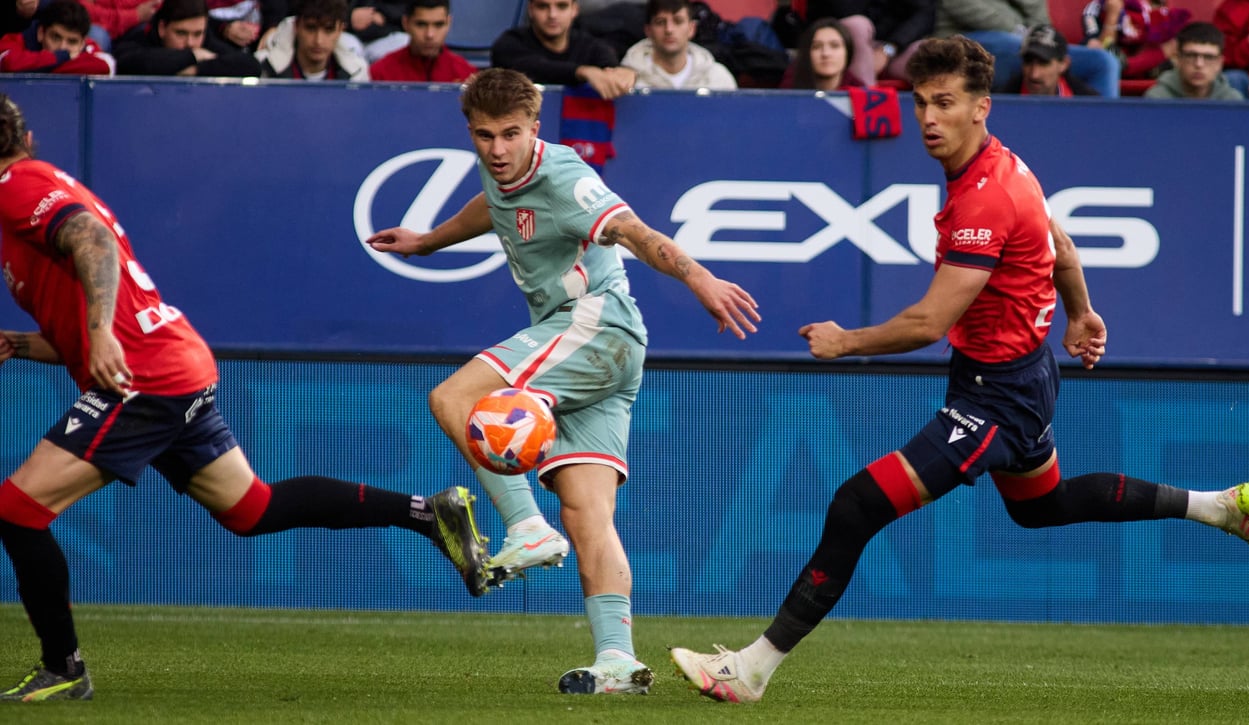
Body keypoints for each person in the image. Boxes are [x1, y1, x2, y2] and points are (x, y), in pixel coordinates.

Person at [671, 35, 1249, 704]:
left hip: (998, 397)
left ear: (981, 107)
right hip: (1022, 373)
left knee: (856, 504)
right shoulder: (1005, 165)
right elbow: (1061, 244)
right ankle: (1216, 506)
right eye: (922, 102)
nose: (929, 118)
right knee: (1041, 507)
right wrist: (1080, 313)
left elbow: (928, 322)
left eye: (946, 103)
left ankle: (752, 669)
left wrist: (845, 341)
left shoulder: (986, 198)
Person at [0, 93, 490, 702]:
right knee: (251, 509)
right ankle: (428, 513)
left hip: (145, 377)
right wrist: (22, 344)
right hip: (172, 365)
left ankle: (64, 668)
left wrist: (101, 334)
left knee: (17, 510)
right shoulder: (34, 189)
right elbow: (82, 317)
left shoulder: (16, 185)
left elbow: (93, 241)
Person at [365, 68, 760, 694]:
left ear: (536, 127)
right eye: (484, 135)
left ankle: (524, 526)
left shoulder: (566, 177)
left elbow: (635, 232)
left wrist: (700, 278)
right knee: (586, 514)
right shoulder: (501, 171)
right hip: (604, 356)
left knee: (455, 397)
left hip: (594, 324)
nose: (497, 149)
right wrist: (430, 242)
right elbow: (493, 207)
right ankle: (618, 662)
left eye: (510, 134)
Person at [934, 0, 1121, 97]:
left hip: (1023, 37)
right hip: (966, 40)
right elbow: (960, 5)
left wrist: (1035, 35)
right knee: (1017, 45)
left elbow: (1041, 21)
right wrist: (1025, 34)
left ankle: (1105, 131)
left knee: (1102, 61)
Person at [491, 0, 638, 100]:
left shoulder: (589, 44)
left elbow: (608, 65)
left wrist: (622, 73)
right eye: (543, 6)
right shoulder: (510, 43)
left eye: (562, 6)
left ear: (574, 10)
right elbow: (531, 67)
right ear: (531, 10)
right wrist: (582, 72)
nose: (552, 15)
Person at [799, 0, 936, 87]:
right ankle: (868, 103)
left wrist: (890, 48)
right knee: (857, 25)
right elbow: (841, 10)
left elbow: (924, 14)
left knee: (928, 52)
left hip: (896, 47)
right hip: (848, 45)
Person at [114, 0, 260, 76]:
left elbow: (250, 66)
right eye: (181, 33)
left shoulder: (207, 41)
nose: (190, 43)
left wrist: (196, 70)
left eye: (197, 34)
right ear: (162, 28)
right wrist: (193, 56)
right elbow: (129, 62)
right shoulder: (141, 37)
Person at [620, 0, 736, 90]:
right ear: (648, 30)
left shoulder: (718, 78)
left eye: (678, 21)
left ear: (691, 28)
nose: (669, 30)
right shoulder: (626, 79)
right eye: (660, 22)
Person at [256, 0, 367, 80]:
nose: (318, 41)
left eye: (328, 29)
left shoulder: (357, 73)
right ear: (296, 26)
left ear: (340, 30)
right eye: (311, 28)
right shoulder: (263, 68)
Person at [369, 0, 475, 83]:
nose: (430, 35)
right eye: (421, 24)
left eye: (438, 25)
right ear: (406, 23)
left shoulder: (466, 75)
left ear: (449, 23)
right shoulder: (380, 74)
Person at [0, 0, 116, 74]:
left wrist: (35, 65)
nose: (62, 47)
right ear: (41, 33)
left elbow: (104, 66)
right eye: (56, 38)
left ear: (82, 43)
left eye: (72, 42)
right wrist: (64, 57)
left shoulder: (90, 47)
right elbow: (10, 65)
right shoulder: (15, 40)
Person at [1082, 0, 1190, 80]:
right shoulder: (1098, 7)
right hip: (1112, 66)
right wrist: (1112, 16)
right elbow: (1100, 54)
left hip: (1145, 64)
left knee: (1177, 47)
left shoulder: (1153, 9)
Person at [1145, 21, 1246, 98]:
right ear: (1178, 59)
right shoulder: (1157, 99)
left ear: (1219, 63)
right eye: (1191, 55)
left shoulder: (1231, 101)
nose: (1199, 64)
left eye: (1208, 57)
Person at [997, 23, 1099, 95]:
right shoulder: (1001, 102)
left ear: (1064, 64)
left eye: (1044, 63)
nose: (1034, 74)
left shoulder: (1088, 104)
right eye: (1028, 62)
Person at [780, 17, 859, 90]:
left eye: (835, 46)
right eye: (817, 47)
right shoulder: (788, 91)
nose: (826, 53)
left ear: (848, 52)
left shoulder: (860, 92)